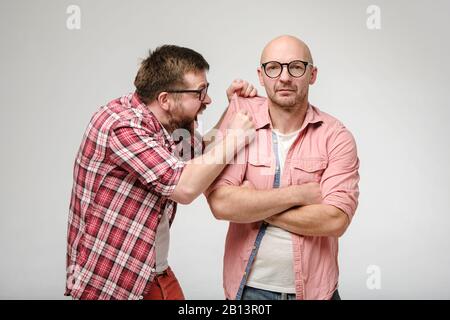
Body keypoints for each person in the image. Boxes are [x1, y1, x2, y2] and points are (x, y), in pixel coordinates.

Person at [65, 45, 257, 300]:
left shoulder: (162, 123)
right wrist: (235, 139)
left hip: (151, 270)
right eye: (200, 92)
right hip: (111, 279)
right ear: (165, 99)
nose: (207, 100)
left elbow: (201, 154)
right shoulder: (121, 125)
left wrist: (230, 109)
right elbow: (185, 187)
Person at [206, 35, 360, 300]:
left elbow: (335, 220)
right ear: (261, 75)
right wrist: (298, 195)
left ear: (312, 74)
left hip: (316, 293)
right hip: (249, 292)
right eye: (274, 67)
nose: (285, 77)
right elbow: (221, 204)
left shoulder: (336, 136)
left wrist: (252, 207)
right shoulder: (241, 121)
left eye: (296, 67)